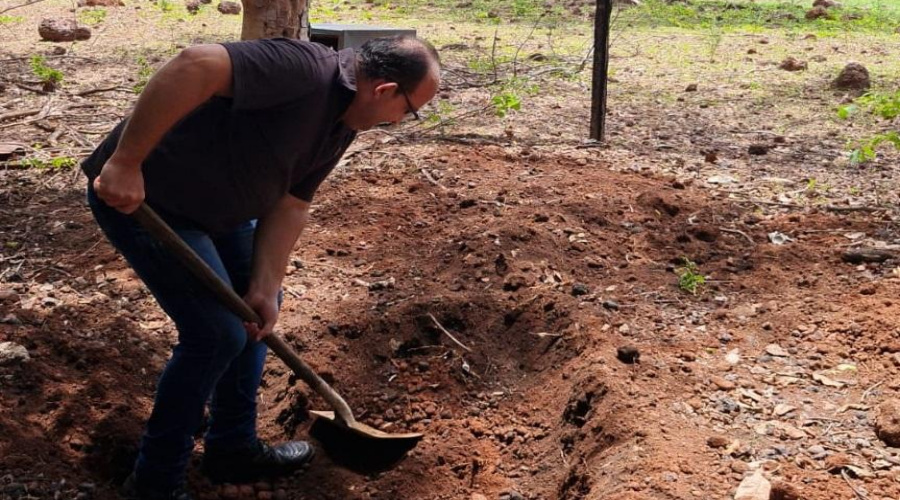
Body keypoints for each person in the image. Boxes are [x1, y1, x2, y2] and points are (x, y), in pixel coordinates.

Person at [80, 35, 440, 500]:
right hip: (147, 201)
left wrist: (267, 287)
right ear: (385, 90)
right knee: (216, 334)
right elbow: (196, 63)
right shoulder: (304, 71)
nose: (401, 122)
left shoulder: (343, 123)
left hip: (223, 214)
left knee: (256, 314)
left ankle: (231, 448)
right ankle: (154, 481)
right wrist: (126, 162)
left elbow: (291, 204)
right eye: (409, 111)